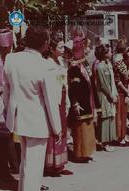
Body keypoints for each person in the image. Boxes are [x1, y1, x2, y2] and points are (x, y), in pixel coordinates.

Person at [3, 26, 62, 191]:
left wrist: (10, 113)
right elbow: (51, 101)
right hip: (37, 121)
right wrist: (57, 128)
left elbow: (7, 92)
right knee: (33, 166)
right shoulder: (45, 66)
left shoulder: (11, 59)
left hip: (17, 118)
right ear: (45, 43)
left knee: (25, 162)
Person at [43, 32, 72, 176]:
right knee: (54, 130)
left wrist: (66, 100)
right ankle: (51, 165)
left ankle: (60, 163)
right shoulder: (48, 63)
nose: (62, 49)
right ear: (52, 48)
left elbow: (64, 82)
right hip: (53, 98)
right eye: (60, 47)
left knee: (62, 129)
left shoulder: (61, 62)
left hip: (62, 96)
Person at [67, 36, 99, 161]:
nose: (86, 50)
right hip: (80, 101)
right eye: (84, 48)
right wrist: (75, 103)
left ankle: (87, 152)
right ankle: (80, 154)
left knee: (88, 127)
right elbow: (73, 87)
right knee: (81, 129)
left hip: (88, 99)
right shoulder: (74, 67)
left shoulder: (83, 63)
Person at [0, 28, 16, 183]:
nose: (6, 50)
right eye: (4, 48)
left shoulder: (11, 60)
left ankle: (6, 171)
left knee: (6, 139)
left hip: (7, 104)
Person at [95, 44, 118, 151]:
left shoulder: (107, 64)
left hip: (110, 93)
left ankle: (109, 140)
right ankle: (104, 142)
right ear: (104, 54)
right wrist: (110, 95)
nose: (111, 53)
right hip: (104, 95)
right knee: (105, 117)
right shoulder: (100, 66)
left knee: (110, 116)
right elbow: (103, 84)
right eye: (109, 52)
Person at [112, 39, 129, 145]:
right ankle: (120, 137)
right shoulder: (118, 60)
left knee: (124, 114)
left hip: (124, 89)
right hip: (120, 90)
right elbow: (123, 77)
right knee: (120, 115)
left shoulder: (122, 59)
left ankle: (124, 135)